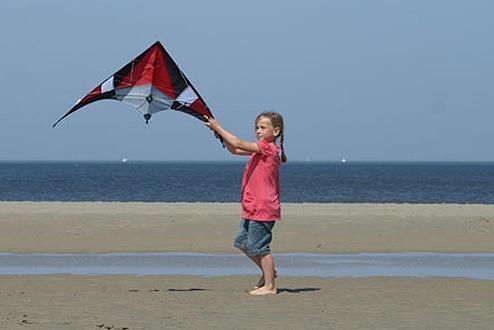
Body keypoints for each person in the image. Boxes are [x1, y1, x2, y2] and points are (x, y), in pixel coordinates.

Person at [204, 111, 287, 295]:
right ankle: (269, 274)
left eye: (263, 127)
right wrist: (220, 135)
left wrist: (219, 127)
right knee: (242, 243)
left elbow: (239, 143)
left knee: (260, 247)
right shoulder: (259, 149)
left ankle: (270, 286)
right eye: (257, 127)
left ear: (276, 131)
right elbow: (234, 149)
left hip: (264, 207)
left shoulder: (269, 148)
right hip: (251, 206)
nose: (258, 131)